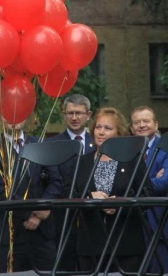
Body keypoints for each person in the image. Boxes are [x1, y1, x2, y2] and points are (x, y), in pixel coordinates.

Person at [0, 116, 62, 272]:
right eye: (7, 112)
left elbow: (55, 181)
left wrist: (41, 211)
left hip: (41, 233)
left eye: (18, 111)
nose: (13, 116)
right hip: (7, 234)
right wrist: (33, 211)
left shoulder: (40, 145)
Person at [74, 107, 147, 272]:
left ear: (119, 133)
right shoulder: (82, 162)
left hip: (126, 243)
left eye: (107, 128)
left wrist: (120, 205)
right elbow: (67, 194)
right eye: (98, 127)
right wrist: (88, 196)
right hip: (90, 245)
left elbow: (146, 194)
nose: (101, 132)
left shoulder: (132, 160)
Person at [130, 106, 168, 274]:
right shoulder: (127, 150)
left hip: (162, 223)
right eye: (137, 122)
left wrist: (134, 185)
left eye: (146, 121)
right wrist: (151, 180)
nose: (141, 125)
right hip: (134, 226)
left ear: (156, 124)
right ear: (131, 128)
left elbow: (166, 183)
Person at [45, 94, 95, 271]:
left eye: (79, 113)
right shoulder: (52, 144)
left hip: (92, 216)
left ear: (88, 115)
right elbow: (52, 180)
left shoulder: (97, 142)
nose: (74, 118)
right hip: (62, 216)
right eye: (70, 113)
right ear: (64, 114)